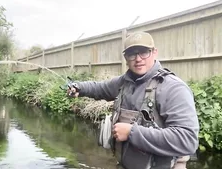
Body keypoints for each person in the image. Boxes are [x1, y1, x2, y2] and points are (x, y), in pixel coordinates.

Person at [67, 32, 200, 169]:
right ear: (126, 58)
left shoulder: (173, 87)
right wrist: (79, 87)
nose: (138, 59)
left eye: (144, 52)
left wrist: (132, 133)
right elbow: (99, 88)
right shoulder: (124, 82)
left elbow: (187, 140)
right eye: (132, 54)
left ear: (154, 53)